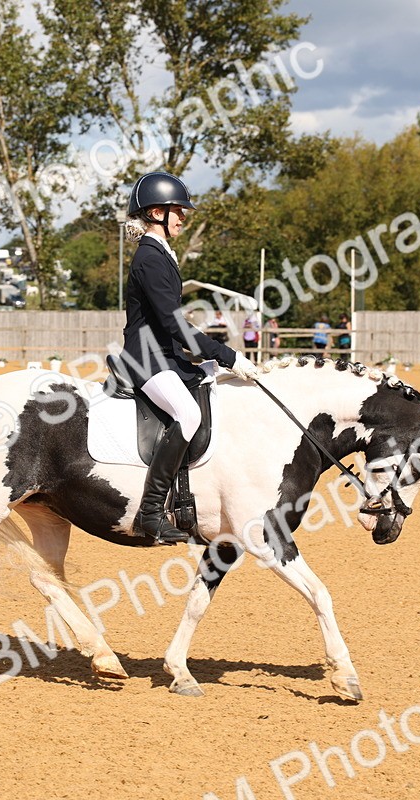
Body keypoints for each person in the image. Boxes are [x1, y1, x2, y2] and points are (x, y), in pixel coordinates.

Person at [120, 171, 260, 544]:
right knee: (189, 413)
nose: (183, 216)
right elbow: (174, 324)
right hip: (146, 360)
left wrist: (207, 364)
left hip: (165, 356)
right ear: (154, 212)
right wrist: (229, 356)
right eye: (177, 210)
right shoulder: (150, 258)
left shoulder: (162, 254)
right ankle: (150, 512)